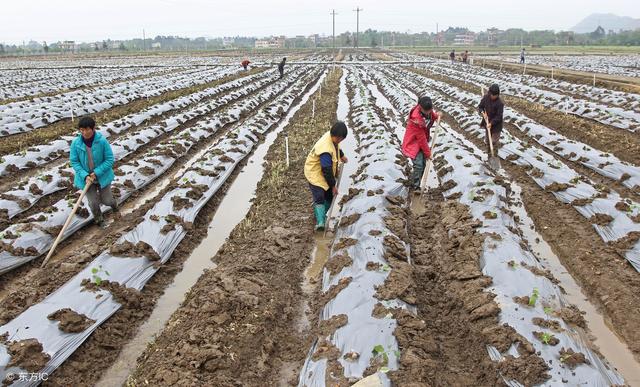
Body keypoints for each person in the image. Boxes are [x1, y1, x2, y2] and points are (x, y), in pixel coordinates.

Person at [70, 116, 117, 228]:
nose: (84, 132)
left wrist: (96, 172)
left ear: (93, 128)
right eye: (82, 130)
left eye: (87, 129)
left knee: (107, 200)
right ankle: (99, 220)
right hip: (86, 178)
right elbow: (74, 162)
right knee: (93, 202)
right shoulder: (76, 143)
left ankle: (114, 206)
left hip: (102, 176)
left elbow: (109, 159)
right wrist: (85, 175)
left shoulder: (101, 141)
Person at [304, 121, 348, 231]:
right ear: (335, 136)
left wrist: (341, 156)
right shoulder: (325, 149)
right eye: (339, 139)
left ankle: (321, 214)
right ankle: (320, 223)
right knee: (319, 196)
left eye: (341, 139)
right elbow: (327, 170)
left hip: (323, 171)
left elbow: (337, 147)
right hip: (315, 172)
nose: (340, 141)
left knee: (329, 195)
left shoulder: (333, 138)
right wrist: (333, 186)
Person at [401, 96, 440, 191]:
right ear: (420, 107)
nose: (428, 112)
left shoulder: (428, 111)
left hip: (422, 141)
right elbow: (421, 139)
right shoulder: (416, 119)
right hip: (413, 143)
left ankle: (416, 180)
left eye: (429, 110)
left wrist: (437, 115)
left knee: (423, 163)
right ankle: (415, 186)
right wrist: (428, 153)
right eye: (426, 111)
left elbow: (432, 116)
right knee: (418, 165)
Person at [478, 84, 504, 156]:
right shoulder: (486, 98)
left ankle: (494, 154)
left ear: (498, 95)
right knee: (487, 141)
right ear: (490, 93)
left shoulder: (500, 103)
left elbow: (499, 116)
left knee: (494, 142)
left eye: (495, 96)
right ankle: (489, 154)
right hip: (487, 122)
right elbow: (480, 107)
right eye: (492, 95)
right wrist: (483, 112)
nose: (493, 97)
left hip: (496, 125)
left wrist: (491, 123)